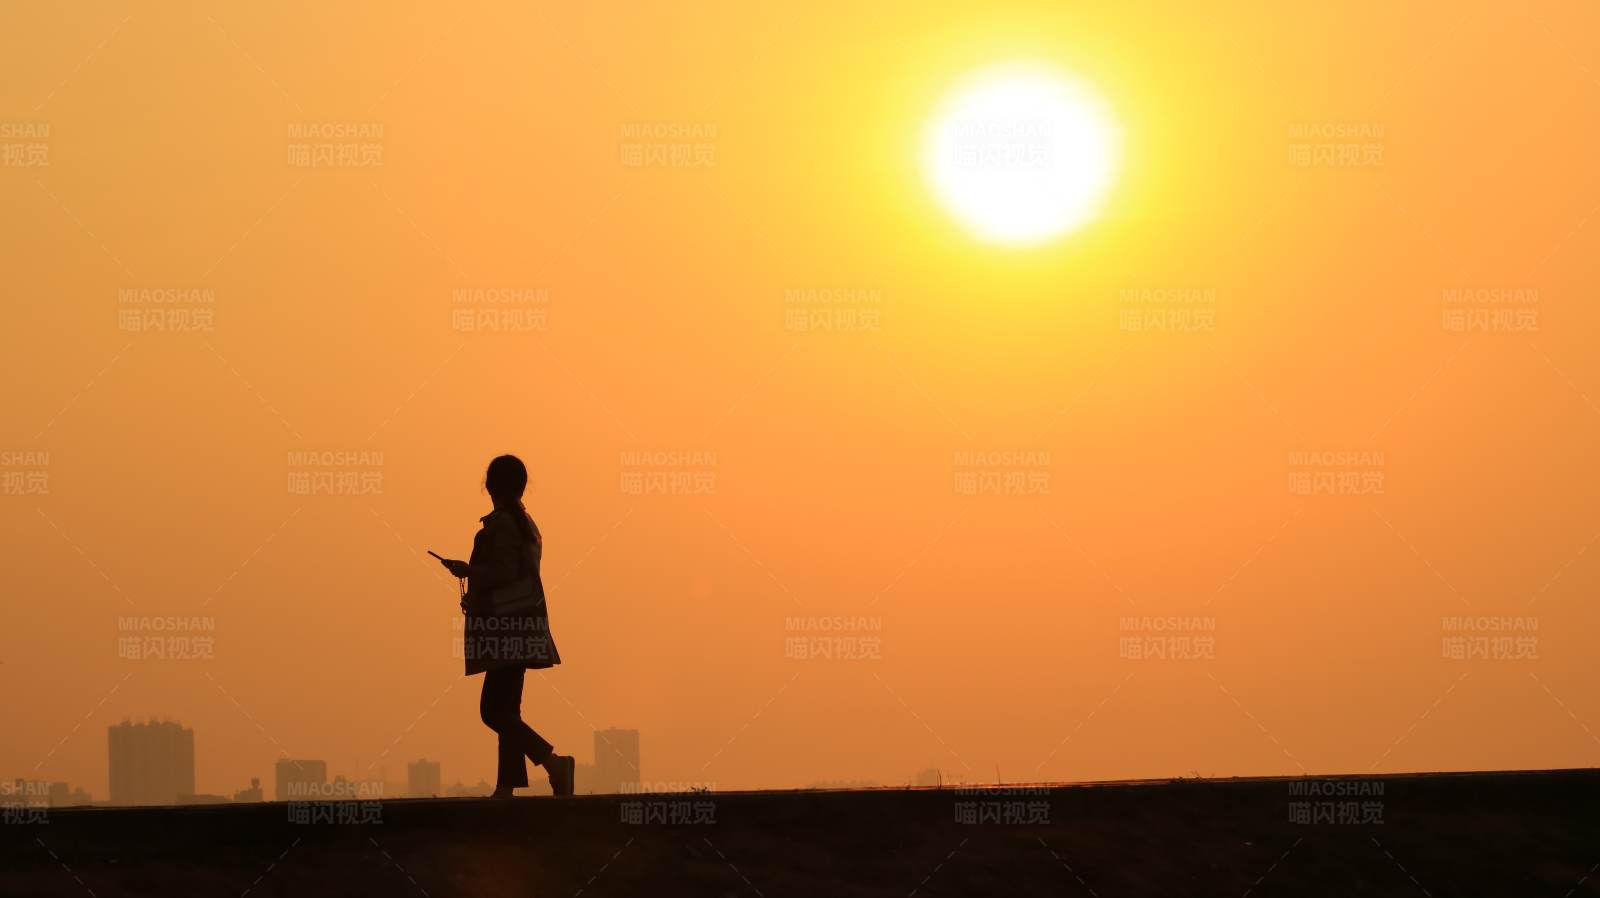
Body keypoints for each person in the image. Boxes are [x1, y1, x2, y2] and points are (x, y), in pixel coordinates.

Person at [437, 454, 576, 798]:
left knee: (492, 712)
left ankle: (554, 762)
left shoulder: (501, 526)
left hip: (504, 632)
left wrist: (469, 573)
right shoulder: (526, 525)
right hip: (523, 626)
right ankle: (506, 786)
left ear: (490, 486)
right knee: (508, 711)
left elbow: (501, 574)